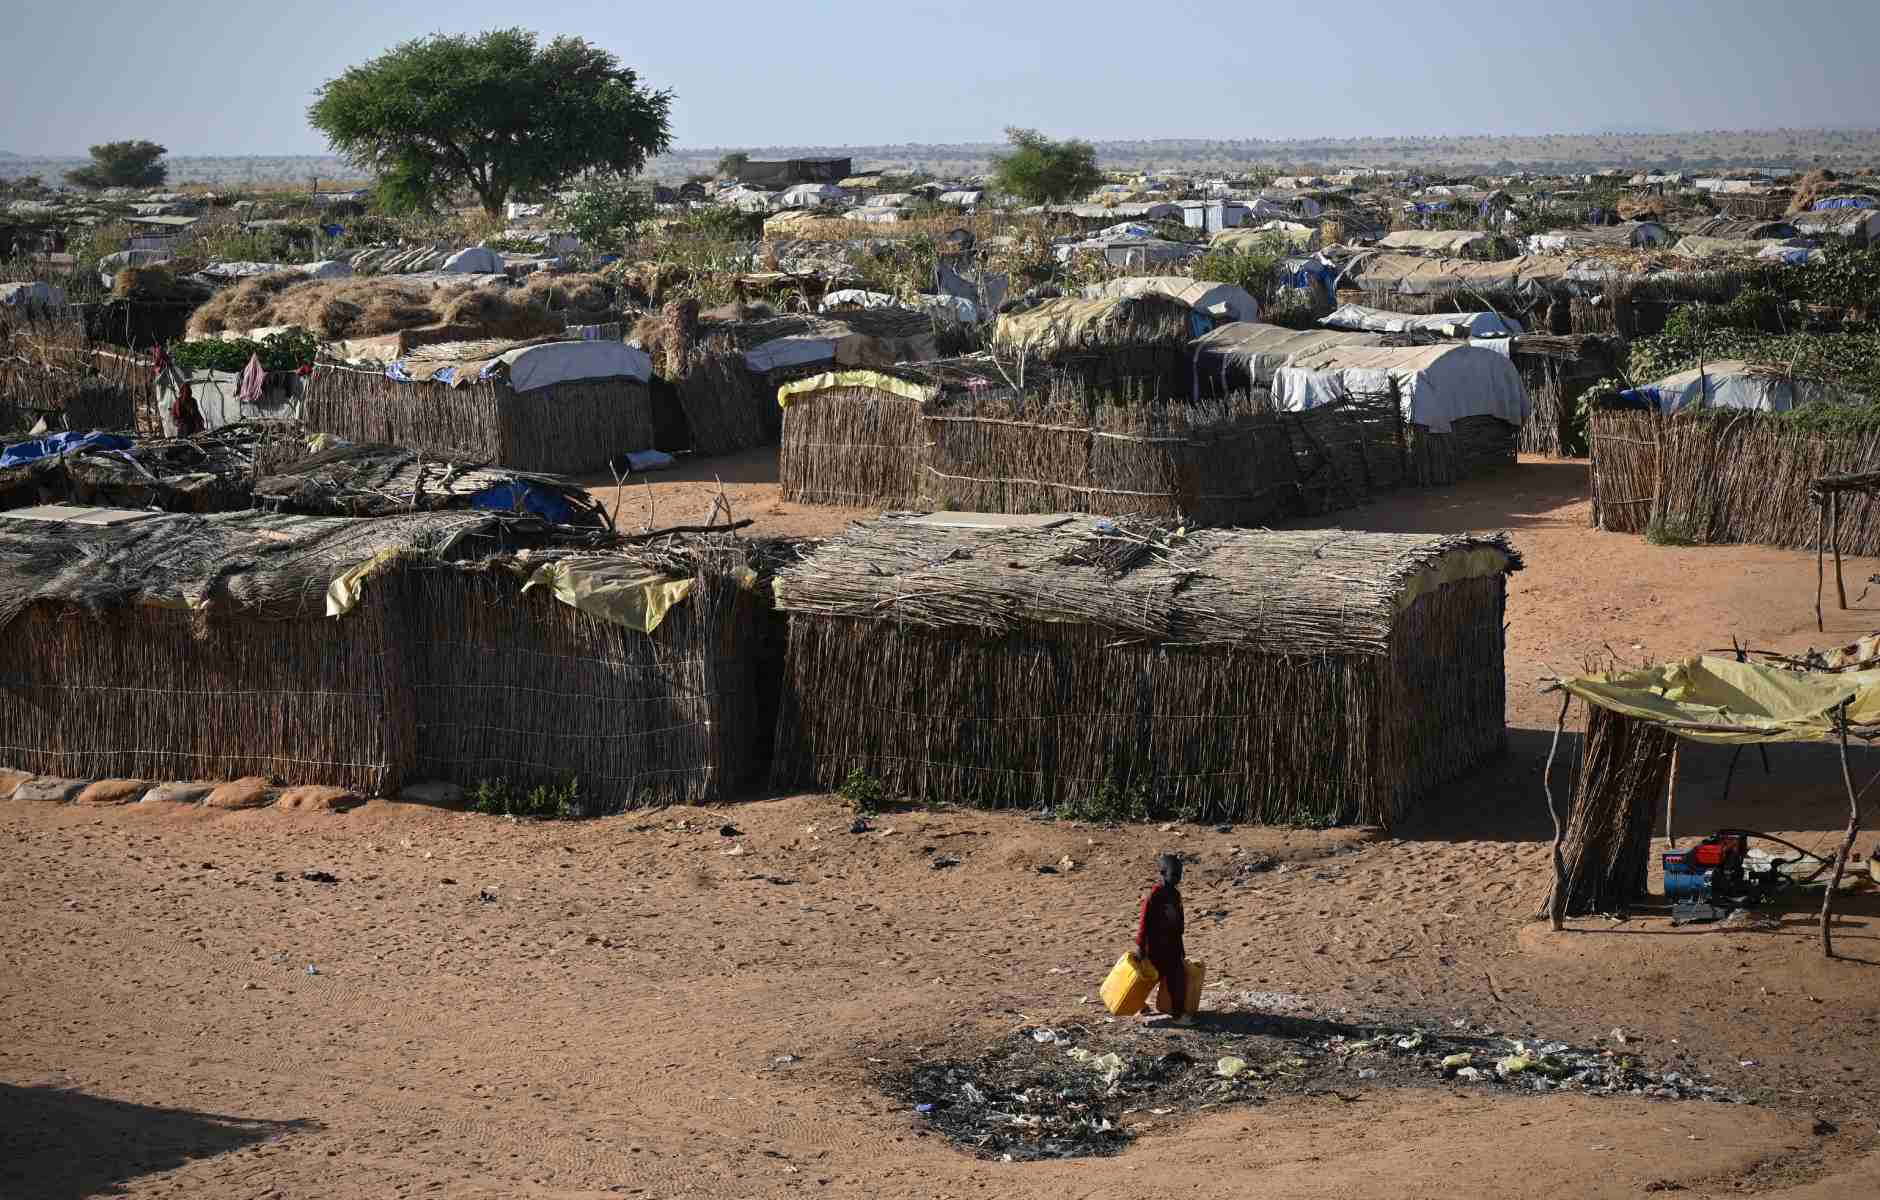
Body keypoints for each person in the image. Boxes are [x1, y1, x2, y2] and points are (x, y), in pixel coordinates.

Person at [1135, 853, 1189, 1024]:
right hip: (1156, 946)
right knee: (1150, 979)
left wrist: (1181, 949)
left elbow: (1179, 923)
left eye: (1179, 875)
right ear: (1162, 872)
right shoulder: (1154, 896)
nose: (1177, 879)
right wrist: (1140, 947)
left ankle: (1177, 1012)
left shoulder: (1175, 895)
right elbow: (1144, 923)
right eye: (1174, 875)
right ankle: (1140, 1006)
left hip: (1172, 945)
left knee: (1176, 978)